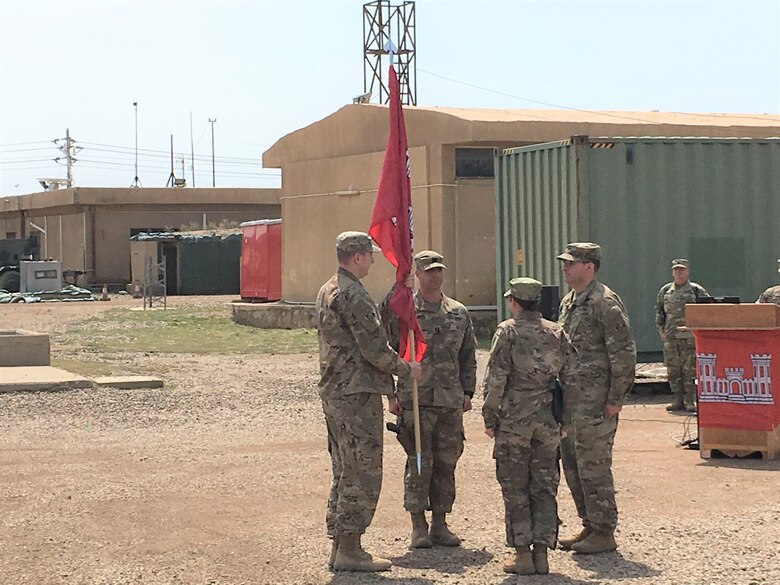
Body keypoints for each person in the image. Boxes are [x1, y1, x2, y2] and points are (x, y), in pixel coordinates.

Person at [316, 231, 422, 572]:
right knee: (361, 470)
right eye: (370, 255)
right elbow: (374, 348)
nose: (373, 261)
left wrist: (400, 289)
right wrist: (407, 369)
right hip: (355, 393)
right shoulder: (353, 295)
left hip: (337, 391)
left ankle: (341, 544)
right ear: (358, 256)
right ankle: (350, 547)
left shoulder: (329, 287)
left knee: (344, 467)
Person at [379, 250, 477, 549]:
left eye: (438, 270)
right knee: (419, 463)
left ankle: (440, 524)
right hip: (415, 398)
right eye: (428, 270)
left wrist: (468, 392)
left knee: (447, 464)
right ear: (417, 275)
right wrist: (391, 393)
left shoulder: (458, 312)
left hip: (449, 400)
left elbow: (468, 355)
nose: (435, 275)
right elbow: (385, 347)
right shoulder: (405, 311)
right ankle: (418, 526)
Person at [482, 277, 577, 575]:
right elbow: (572, 378)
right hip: (547, 419)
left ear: (514, 302)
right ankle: (542, 554)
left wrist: (489, 416)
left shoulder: (507, 332)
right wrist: (566, 419)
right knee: (545, 485)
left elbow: (496, 378)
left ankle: (523, 555)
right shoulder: (556, 331)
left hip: (514, 420)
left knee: (515, 485)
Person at [556, 242, 636, 554]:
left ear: (589, 267)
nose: (565, 268)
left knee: (594, 466)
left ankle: (604, 531)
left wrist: (616, 398)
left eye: (570, 263)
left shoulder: (606, 303)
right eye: (564, 263)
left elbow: (624, 354)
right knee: (573, 465)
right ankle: (589, 524)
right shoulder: (569, 302)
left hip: (596, 402)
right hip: (571, 403)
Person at [655, 259, 709, 412]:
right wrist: (662, 331)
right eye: (676, 270)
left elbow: (708, 311)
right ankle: (677, 399)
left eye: (682, 270)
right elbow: (659, 312)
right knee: (673, 370)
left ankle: (690, 400)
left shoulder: (696, 290)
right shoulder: (666, 290)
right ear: (672, 272)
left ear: (687, 271)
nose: (678, 272)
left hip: (689, 338)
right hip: (671, 338)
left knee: (689, 370)